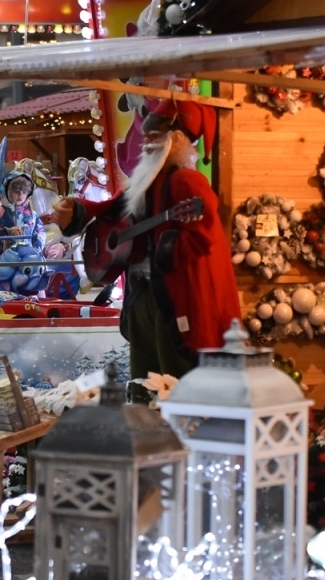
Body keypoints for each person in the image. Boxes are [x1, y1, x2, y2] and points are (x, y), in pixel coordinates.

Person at [53, 100, 241, 382]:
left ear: (176, 139)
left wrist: (166, 250)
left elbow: (204, 236)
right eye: (147, 135)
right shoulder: (146, 181)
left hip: (174, 298)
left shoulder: (187, 181)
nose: (146, 143)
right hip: (143, 293)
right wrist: (76, 210)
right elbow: (110, 209)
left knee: (173, 376)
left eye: (155, 136)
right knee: (145, 377)